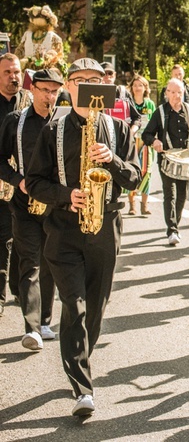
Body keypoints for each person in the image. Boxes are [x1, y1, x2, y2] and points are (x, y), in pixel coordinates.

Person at [25, 57, 141, 417]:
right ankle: (82, 388)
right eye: (81, 80)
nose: (90, 85)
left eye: (97, 80)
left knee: (94, 308)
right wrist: (66, 195)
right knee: (73, 306)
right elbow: (34, 182)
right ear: (70, 87)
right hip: (64, 230)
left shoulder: (119, 129)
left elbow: (135, 177)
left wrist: (113, 162)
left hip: (105, 227)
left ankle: (80, 358)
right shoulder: (53, 131)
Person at [0, 69, 60, 350]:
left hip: (56, 204)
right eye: (45, 90)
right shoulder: (15, 121)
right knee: (30, 263)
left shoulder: (65, 121)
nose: (50, 96)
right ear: (32, 89)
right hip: (23, 204)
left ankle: (45, 320)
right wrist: (17, 180)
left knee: (49, 263)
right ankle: (32, 328)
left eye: (54, 91)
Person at [142, 78, 189, 246]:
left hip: (186, 159)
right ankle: (172, 230)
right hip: (167, 158)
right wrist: (154, 141)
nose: (176, 96)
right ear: (167, 93)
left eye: (179, 92)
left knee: (182, 194)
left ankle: (176, 224)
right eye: (173, 92)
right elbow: (146, 134)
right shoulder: (160, 112)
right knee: (170, 194)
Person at [0, 53, 26, 312]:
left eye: (16, 71)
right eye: (7, 72)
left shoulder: (29, 101)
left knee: (21, 241)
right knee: (2, 240)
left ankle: (19, 289)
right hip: (0, 181)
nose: (13, 77)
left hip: (23, 184)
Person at [127, 75, 157, 215]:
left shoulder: (150, 104)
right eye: (135, 85)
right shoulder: (128, 103)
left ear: (145, 88)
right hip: (132, 141)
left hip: (146, 141)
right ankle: (132, 205)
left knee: (147, 172)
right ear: (131, 87)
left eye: (141, 85)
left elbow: (154, 122)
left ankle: (144, 205)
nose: (138, 88)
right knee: (131, 171)